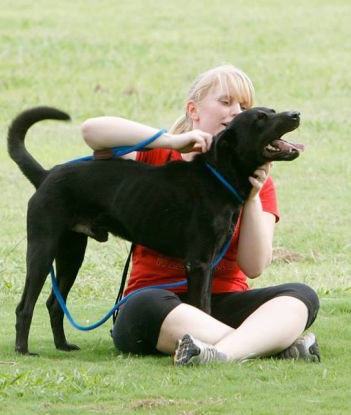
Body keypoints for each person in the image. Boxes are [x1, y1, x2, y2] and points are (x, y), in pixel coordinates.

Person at [81, 64, 320, 365]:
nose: (235, 111)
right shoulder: (157, 156)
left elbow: (254, 265)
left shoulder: (257, 182)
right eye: (225, 101)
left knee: (301, 297)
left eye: (244, 106)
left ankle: (220, 353)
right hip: (159, 303)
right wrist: (168, 140)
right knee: (145, 305)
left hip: (220, 303)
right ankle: (263, 344)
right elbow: (92, 131)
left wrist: (251, 199)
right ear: (193, 109)